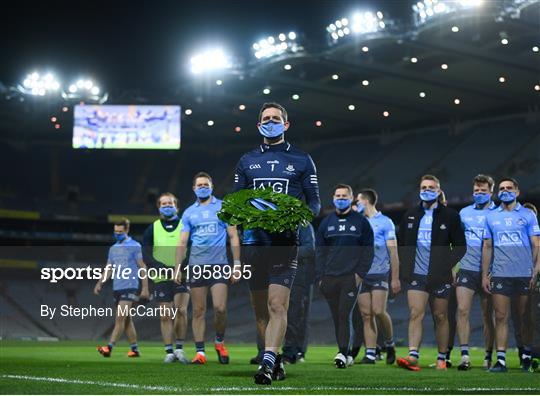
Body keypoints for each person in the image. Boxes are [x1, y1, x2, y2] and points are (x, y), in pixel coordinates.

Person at [233, 102, 321, 385]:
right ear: (259, 125)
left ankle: (267, 364)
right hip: (253, 245)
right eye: (265, 119)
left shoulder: (302, 159)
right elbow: (236, 203)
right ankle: (276, 356)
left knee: (277, 306)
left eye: (275, 118)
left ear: (286, 124)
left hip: (285, 244)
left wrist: (297, 216)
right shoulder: (246, 161)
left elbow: (315, 203)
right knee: (261, 311)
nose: (270, 122)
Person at [396, 174, 466, 371]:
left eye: (431, 187)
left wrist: (446, 264)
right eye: (423, 186)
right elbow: (401, 244)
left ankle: (442, 358)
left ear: (438, 191)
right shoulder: (409, 215)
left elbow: (461, 247)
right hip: (416, 275)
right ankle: (413, 356)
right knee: (415, 313)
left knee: (441, 316)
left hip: (440, 276)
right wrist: (404, 268)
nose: (426, 190)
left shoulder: (450, 216)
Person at [174, 172, 241, 365]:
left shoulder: (223, 207)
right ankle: (200, 353)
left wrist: (236, 264)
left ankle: (219, 342)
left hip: (219, 265)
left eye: (206, 184)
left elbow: (234, 236)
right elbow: (182, 242)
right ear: (194, 188)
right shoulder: (188, 213)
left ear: (212, 186)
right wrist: (178, 268)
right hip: (196, 266)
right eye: (199, 185)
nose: (203, 187)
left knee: (220, 308)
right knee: (198, 311)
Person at [481, 178, 540, 372]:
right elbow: (487, 246)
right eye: (502, 188)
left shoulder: (528, 214)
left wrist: (535, 270)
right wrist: (485, 275)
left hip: (523, 274)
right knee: (500, 316)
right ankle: (501, 361)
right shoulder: (490, 217)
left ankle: (526, 355)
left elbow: (536, 245)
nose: (505, 191)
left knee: (524, 316)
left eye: (509, 188)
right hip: (500, 273)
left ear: (517, 191)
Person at [315, 184, 374, 368]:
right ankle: (348, 352)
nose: (340, 199)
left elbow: (368, 251)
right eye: (337, 196)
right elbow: (320, 253)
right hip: (329, 278)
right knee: (337, 316)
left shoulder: (361, 222)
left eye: (344, 196)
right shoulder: (326, 222)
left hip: (350, 277)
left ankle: (342, 353)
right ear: (333, 197)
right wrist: (320, 277)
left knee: (343, 314)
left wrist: (359, 275)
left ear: (351, 198)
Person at [454, 175, 496, 370]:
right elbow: (455, 241)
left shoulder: (498, 213)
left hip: (491, 272)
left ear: (491, 192)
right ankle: (465, 356)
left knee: (488, 315)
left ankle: (488, 356)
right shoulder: (464, 213)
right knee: (462, 310)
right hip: (467, 268)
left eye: (483, 191)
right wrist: (454, 266)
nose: (479, 194)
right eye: (476, 191)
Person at [142, 192, 190, 363]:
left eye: (170, 203)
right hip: (161, 276)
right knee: (165, 315)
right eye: (164, 204)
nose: (167, 206)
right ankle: (169, 351)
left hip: (181, 274)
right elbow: (145, 252)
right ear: (159, 207)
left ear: (177, 206)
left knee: (182, 311)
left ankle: (179, 349)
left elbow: (191, 248)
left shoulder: (185, 225)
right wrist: (158, 266)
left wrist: (181, 267)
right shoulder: (152, 228)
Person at [355, 188, 400, 365]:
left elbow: (393, 251)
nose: (355, 205)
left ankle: (389, 343)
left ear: (365, 201)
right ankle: (371, 353)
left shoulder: (385, 222)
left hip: (380, 273)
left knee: (379, 311)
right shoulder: (358, 222)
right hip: (362, 275)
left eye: (357, 201)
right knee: (366, 315)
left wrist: (395, 277)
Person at [95, 218, 149, 357]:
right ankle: (135, 349)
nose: (117, 234)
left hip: (130, 286)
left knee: (120, 318)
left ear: (127, 230)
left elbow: (142, 266)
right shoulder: (113, 248)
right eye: (115, 232)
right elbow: (109, 267)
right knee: (126, 320)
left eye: (120, 231)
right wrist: (100, 282)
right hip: (117, 287)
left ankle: (109, 348)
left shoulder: (135, 246)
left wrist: (145, 287)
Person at [282, 223, 316, 364]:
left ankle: (293, 351)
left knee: (295, 314)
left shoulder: (303, 225)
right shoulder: (276, 225)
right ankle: (274, 351)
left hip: (298, 277)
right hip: (279, 275)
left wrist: (288, 253)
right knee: (281, 313)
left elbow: (309, 249)